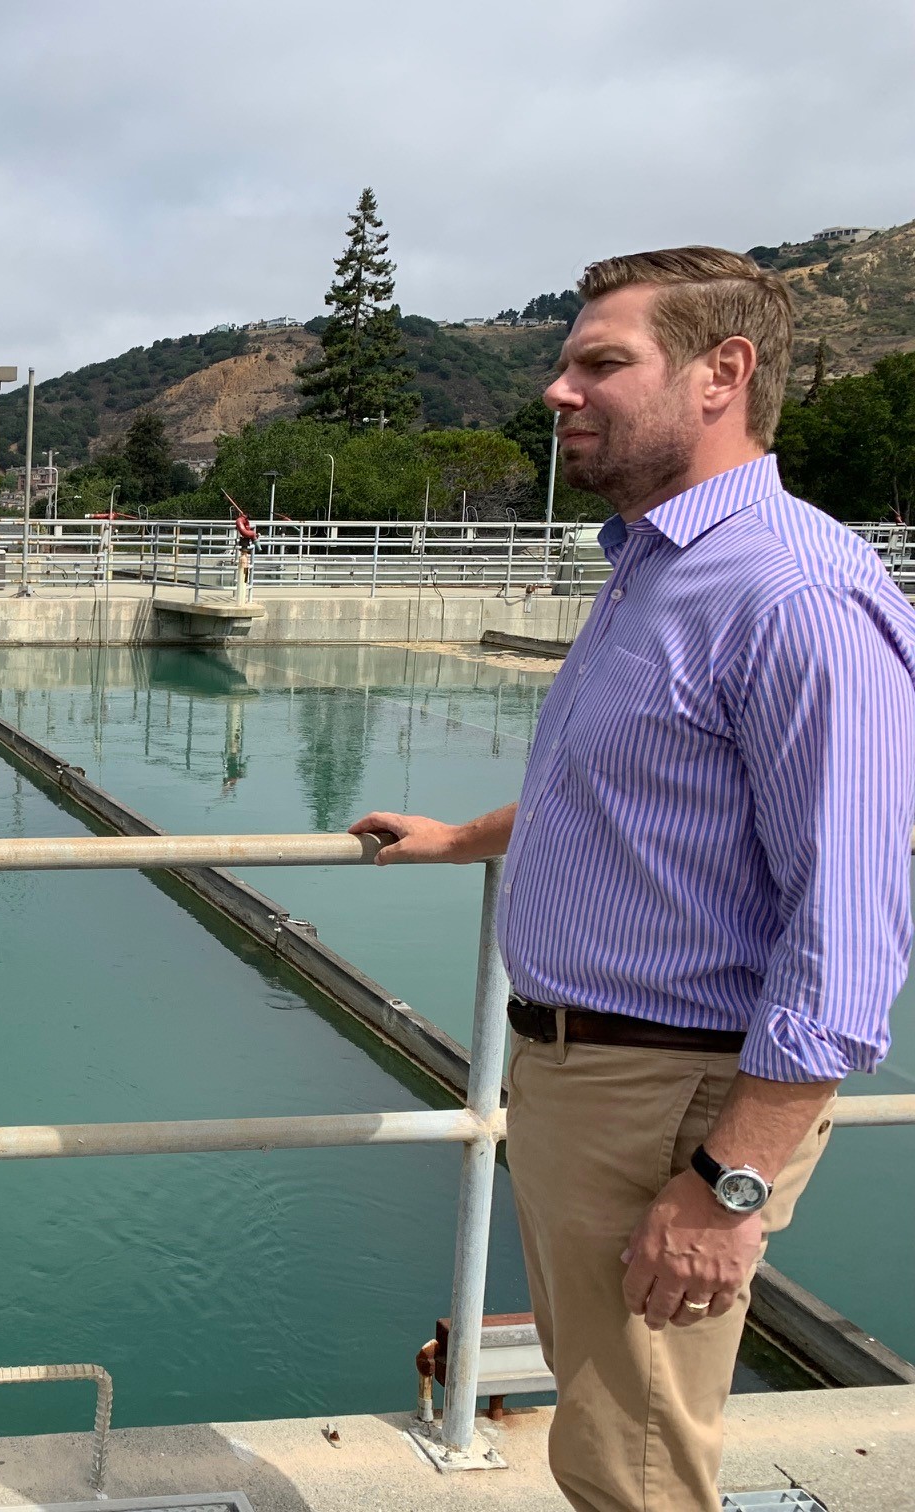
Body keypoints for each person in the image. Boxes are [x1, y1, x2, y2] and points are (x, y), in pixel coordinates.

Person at [351, 247, 915, 1512]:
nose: (559, 391)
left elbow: (854, 911)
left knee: (636, 1463)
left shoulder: (793, 592)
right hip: (585, 1072)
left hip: (675, 1093)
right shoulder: (659, 567)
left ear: (724, 375)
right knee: (609, 1418)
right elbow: (623, 795)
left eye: (601, 362)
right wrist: (464, 839)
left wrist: (729, 1185)